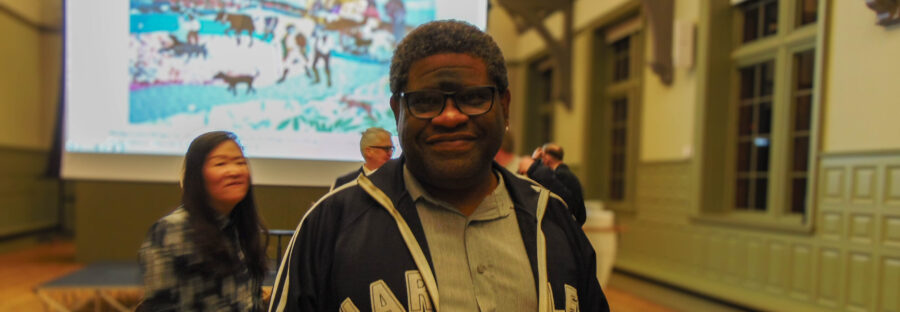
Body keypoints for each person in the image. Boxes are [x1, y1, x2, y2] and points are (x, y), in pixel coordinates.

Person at [269, 20, 608, 311]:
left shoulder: (552, 218)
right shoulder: (330, 224)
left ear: (504, 106)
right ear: (397, 111)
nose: (450, 116)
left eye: (474, 98)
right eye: (427, 101)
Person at [138, 131, 268, 311]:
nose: (234, 171)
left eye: (240, 162)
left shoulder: (239, 228)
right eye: (220, 163)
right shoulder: (172, 230)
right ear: (196, 175)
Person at [520, 143, 587, 226]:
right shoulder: (567, 173)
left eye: (542, 156)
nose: (542, 160)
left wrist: (533, 160)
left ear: (547, 157)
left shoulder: (557, 175)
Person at [330, 127, 394, 191]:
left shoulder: (398, 180)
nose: (390, 153)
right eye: (386, 149)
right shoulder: (345, 183)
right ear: (369, 151)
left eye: (391, 149)